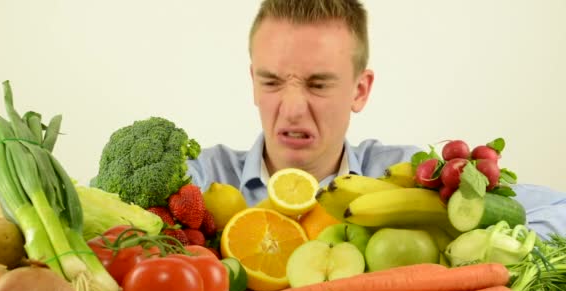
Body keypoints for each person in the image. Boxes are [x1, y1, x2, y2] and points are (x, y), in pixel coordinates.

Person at [186, 0, 566, 239]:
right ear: (253, 83)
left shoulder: (410, 179)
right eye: (271, 82)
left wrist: (471, 246)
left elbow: (559, 209)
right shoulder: (205, 181)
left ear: (360, 91)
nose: (293, 108)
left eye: (318, 84)